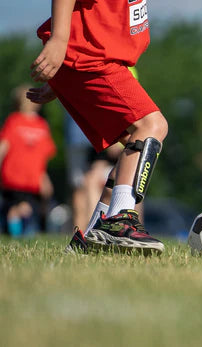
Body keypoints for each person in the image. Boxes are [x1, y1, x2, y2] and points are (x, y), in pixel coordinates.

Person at [27, 0, 168, 254]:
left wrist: (65, 77)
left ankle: (90, 240)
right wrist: (59, 41)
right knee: (152, 126)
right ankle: (120, 219)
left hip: (93, 58)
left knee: (132, 144)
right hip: (90, 57)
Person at [0, 84, 56, 237]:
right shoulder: (14, 121)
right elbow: (3, 146)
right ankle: (15, 233)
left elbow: (43, 155)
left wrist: (44, 178)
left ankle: (19, 233)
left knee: (28, 209)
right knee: (17, 208)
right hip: (13, 176)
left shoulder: (41, 125)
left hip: (33, 179)